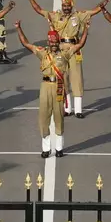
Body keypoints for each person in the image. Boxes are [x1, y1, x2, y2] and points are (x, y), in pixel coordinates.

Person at [26, 0, 110, 118]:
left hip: (74, 48)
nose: (65, 8)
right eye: (64, 6)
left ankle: (78, 109)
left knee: (76, 78)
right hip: (60, 49)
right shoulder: (56, 16)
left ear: (72, 5)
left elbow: (94, 11)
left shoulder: (78, 16)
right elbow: (39, 10)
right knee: (62, 77)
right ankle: (67, 108)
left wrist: (105, 2)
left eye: (68, 6)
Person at [14, 18, 89, 158]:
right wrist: (18, 28)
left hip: (58, 87)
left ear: (58, 41)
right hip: (45, 86)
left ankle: (59, 148)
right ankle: (46, 148)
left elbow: (80, 44)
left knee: (59, 117)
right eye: (51, 42)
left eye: (55, 42)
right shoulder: (43, 53)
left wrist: (86, 29)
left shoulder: (65, 53)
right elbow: (26, 44)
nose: (53, 44)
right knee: (43, 116)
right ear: (48, 42)